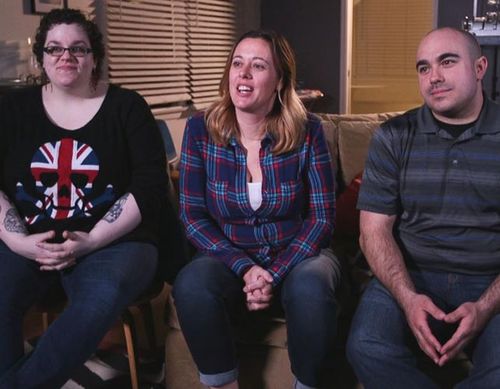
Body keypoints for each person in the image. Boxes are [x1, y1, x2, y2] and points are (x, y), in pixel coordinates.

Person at [0, 9, 167, 388]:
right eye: (54, 48)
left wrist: (91, 239)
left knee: (98, 298)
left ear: (94, 56)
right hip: (28, 238)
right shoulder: (11, 109)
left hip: (115, 242)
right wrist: (17, 240)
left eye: (79, 48)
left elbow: (149, 186)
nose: (66, 56)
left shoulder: (127, 107)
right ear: (40, 57)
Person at [173, 30, 340, 389]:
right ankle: (222, 384)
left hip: (298, 254)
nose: (243, 73)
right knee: (191, 285)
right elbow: (193, 216)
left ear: (280, 81)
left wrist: (273, 274)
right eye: (237, 63)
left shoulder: (308, 130)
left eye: (258, 65)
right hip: (229, 254)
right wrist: (246, 268)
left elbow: (322, 218)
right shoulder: (200, 129)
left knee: (312, 287)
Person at [346, 27, 500, 388]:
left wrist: (485, 307)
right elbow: (373, 231)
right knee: (366, 346)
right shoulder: (393, 136)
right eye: (423, 67)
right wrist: (408, 297)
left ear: (480, 67)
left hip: (490, 279)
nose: (434, 77)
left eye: (447, 62)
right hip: (411, 275)